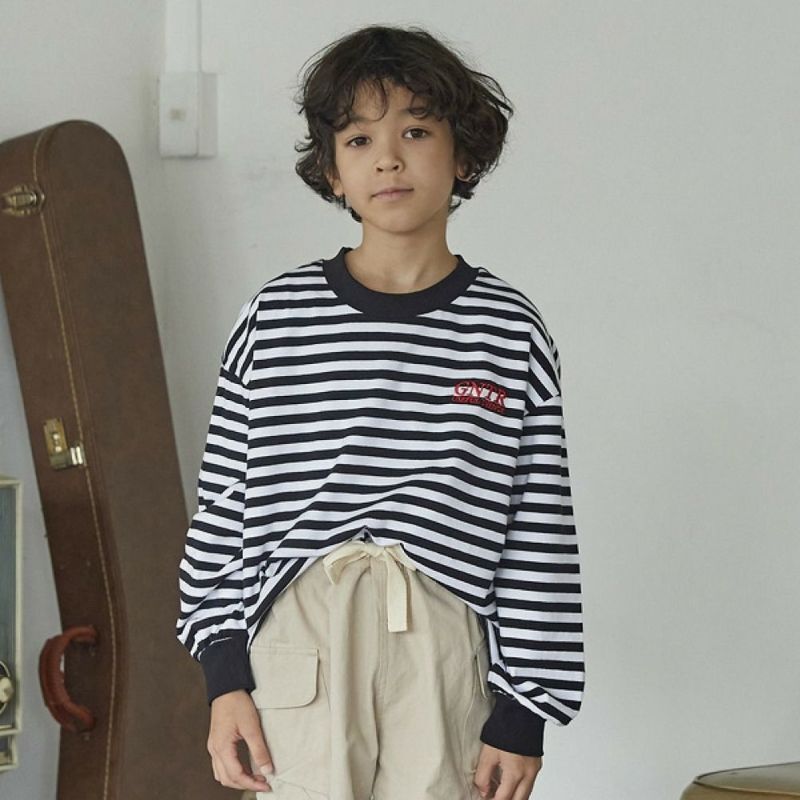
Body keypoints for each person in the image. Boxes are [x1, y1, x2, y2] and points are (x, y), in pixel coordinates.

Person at [175, 23, 585, 800]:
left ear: (463, 156)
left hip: (441, 643)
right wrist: (222, 675)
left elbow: (538, 528)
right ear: (333, 172)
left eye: (416, 132)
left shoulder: (508, 330)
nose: (388, 158)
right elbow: (224, 505)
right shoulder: (278, 317)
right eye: (359, 139)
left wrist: (525, 710)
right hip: (297, 635)